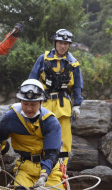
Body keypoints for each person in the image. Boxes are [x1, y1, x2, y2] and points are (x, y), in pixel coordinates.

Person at [0, 79, 70, 190]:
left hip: (50, 170)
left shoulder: (50, 121)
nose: (29, 108)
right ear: (20, 101)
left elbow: (52, 153)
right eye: (25, 103)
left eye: (33, 104)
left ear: (41, 102)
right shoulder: (11, 118)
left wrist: (44, 175)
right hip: (25, 167)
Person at [29, 29, 83, 165]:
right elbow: (32, 81)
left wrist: (77, 105)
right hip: (44, 105)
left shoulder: (73, 64)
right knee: (41, 136)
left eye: (66, 43)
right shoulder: (43, 59)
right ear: (55, 43)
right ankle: (41, 168)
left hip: (63, 106)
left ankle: (61, 171)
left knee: (64, 140)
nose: (62, 46)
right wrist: (29, 101)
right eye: (60, 42)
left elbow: (77, 86)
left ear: (69, 45)